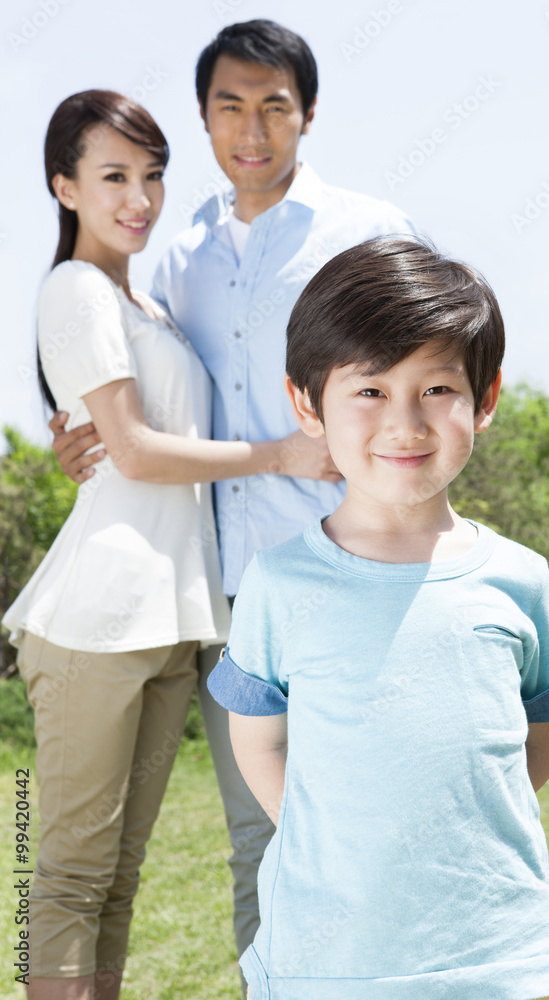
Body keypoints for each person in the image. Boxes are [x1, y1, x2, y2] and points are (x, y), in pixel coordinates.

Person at [48, 19, 417, 987]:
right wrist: (80, 432)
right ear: (204, 118)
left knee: (369, 829)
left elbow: (436, 375)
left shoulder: (368, 232)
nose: (251, 129)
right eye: (228, 106)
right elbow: (145, 400)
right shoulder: (180, 260)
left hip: (356, 577)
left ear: (308, 114)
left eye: (274, 106)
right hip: (236, 600)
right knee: (261, 840)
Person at [2, 88, 341, 1000]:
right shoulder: (75, 288)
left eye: (151, 175)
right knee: (66, 880)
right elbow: (139, 452)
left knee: (118, 882)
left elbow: (119, 435)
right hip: (92, 625)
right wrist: (284, 454)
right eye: (113, 176)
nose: (138, 198)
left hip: (166, 622)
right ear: (62, 186)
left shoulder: (139, 302)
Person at [207, 235, 549, 1000]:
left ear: (484, 399)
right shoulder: (279, 581)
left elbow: (534, 749)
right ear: (306, 404)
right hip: (329, 961)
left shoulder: (518, 579)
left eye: (437, 390)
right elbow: (259, 746)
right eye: (370, 391)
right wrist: (342, 838)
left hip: (504, 957)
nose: (405, 425)